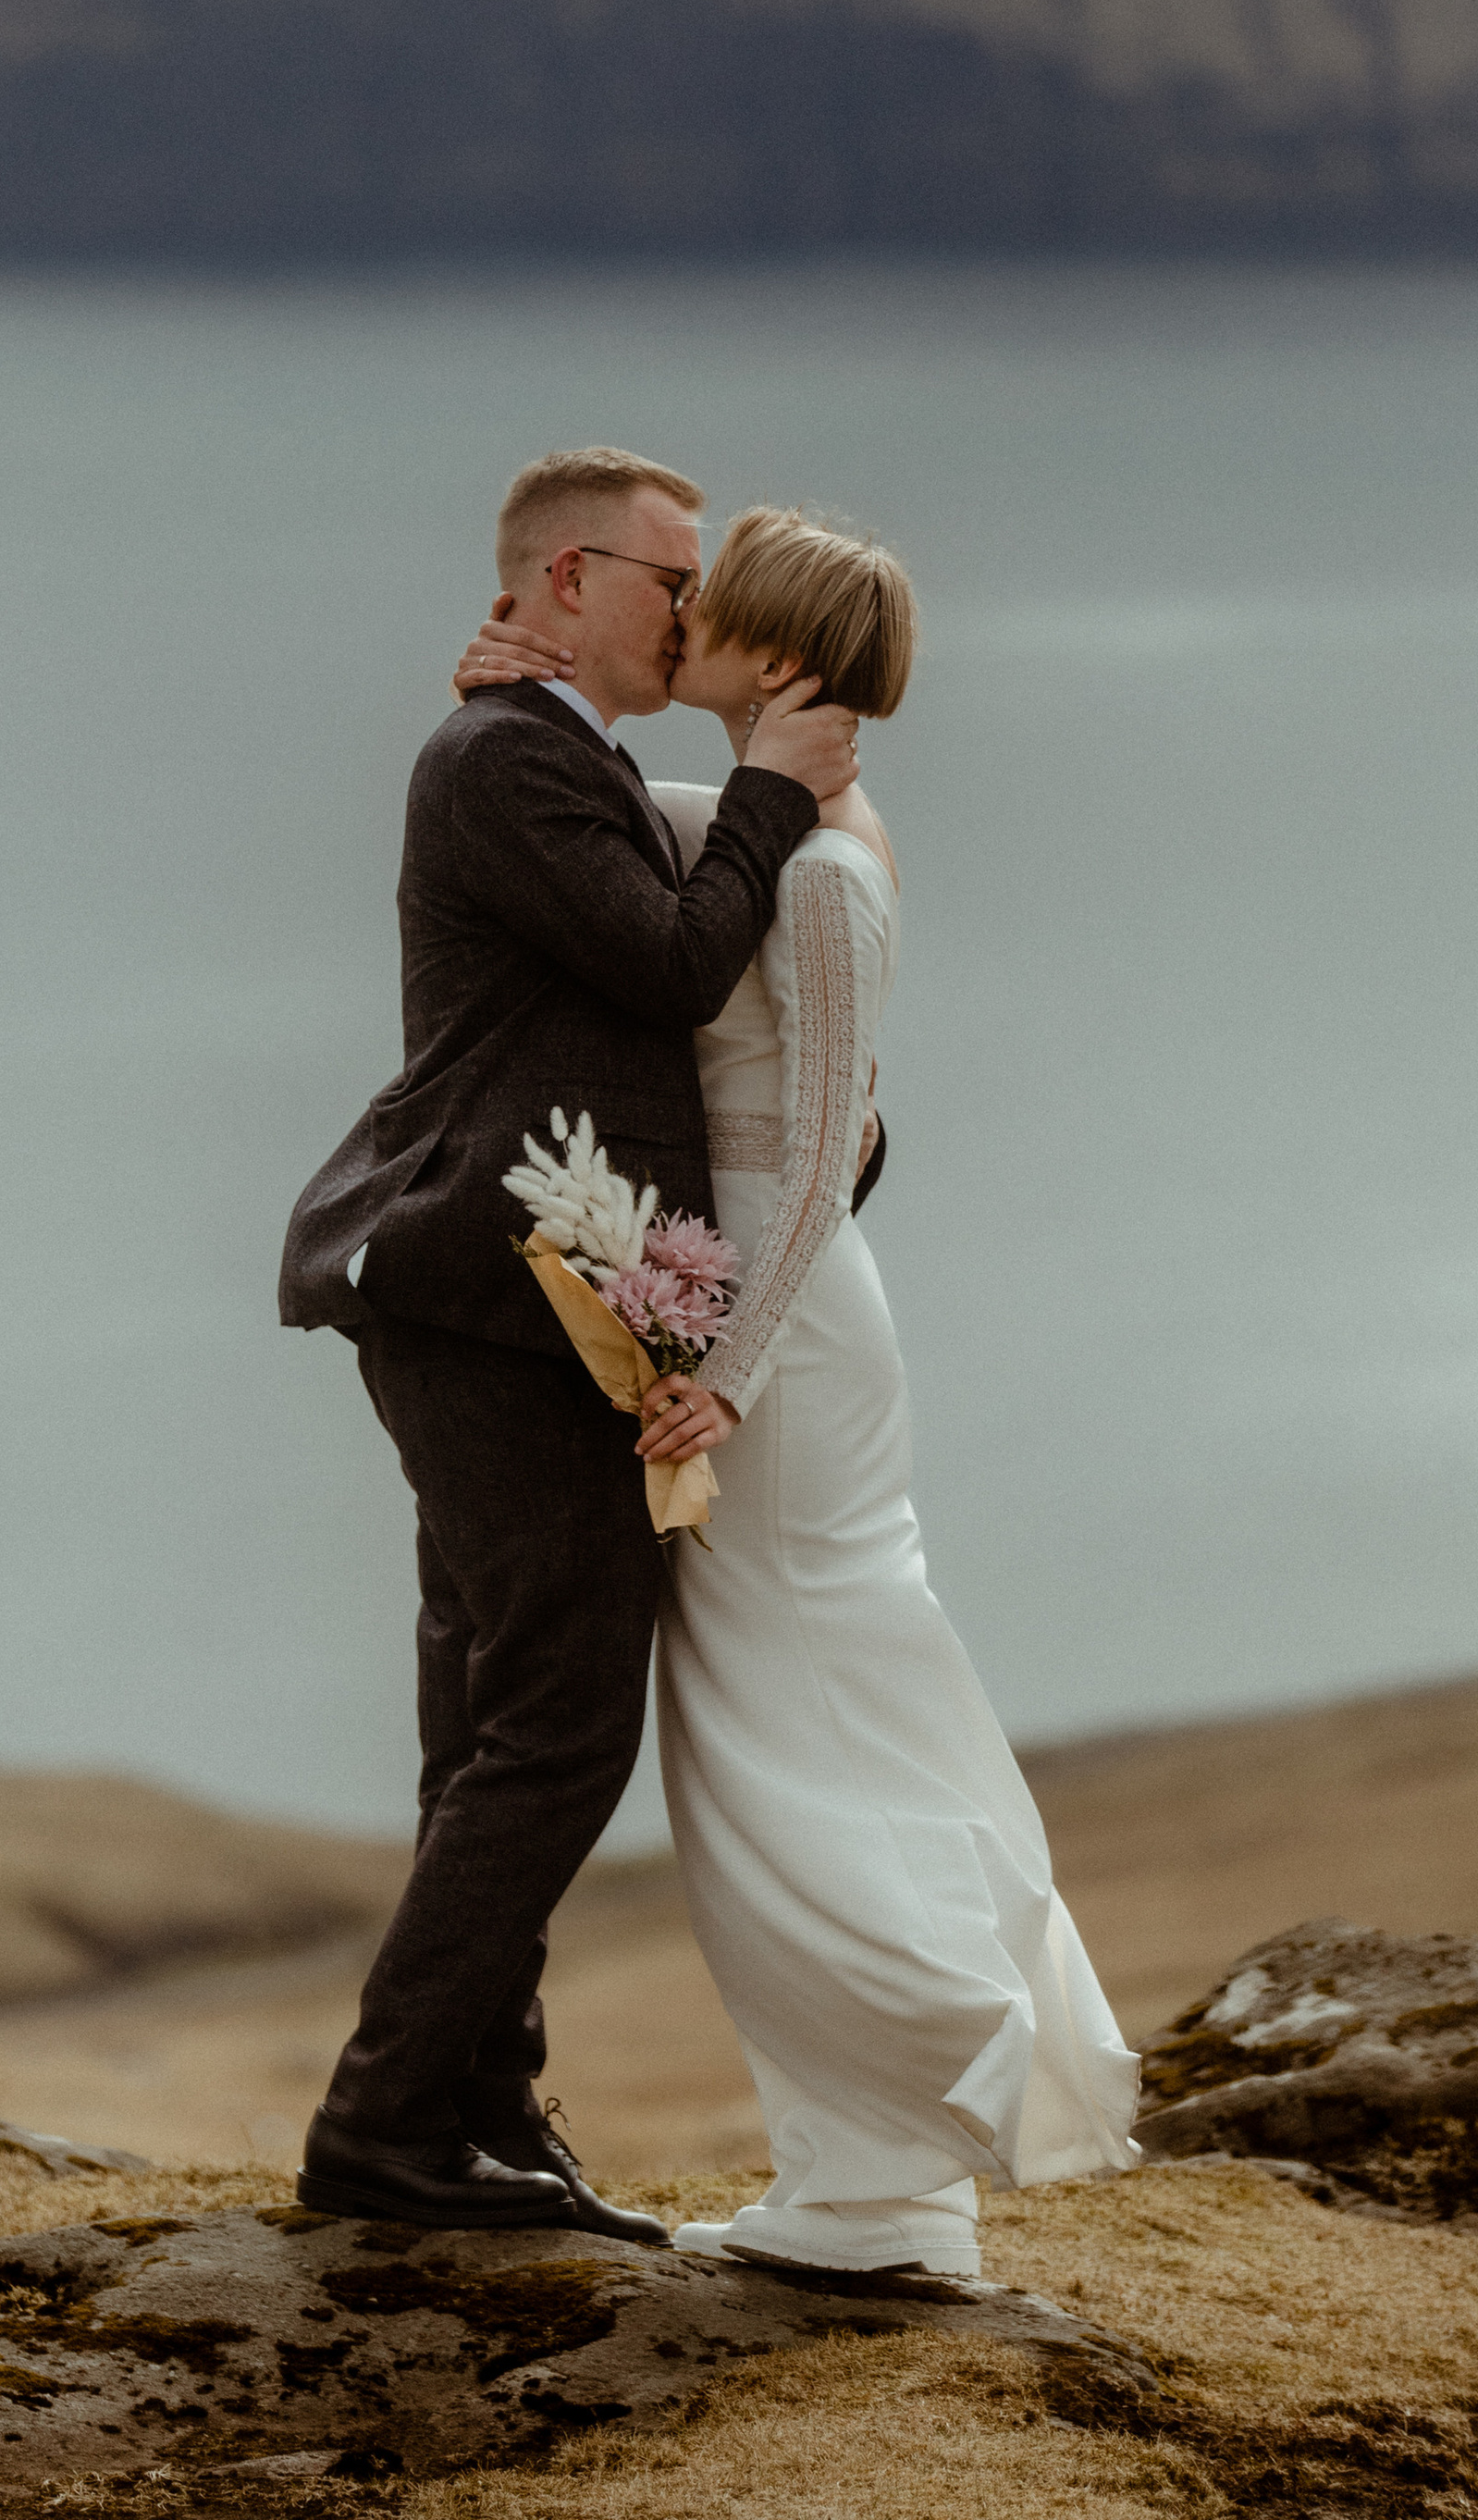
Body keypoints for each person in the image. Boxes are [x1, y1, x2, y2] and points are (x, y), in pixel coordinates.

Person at [455, 508, 1140, 2280]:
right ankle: (862, 2188)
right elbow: (608, 826)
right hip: (755, 1314)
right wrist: (505, 697)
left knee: (786, 1717)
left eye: (710, 604)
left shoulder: (826, 868)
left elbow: (831, 1129)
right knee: (763, 1717)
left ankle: (918, 2113)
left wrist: (733, 1373)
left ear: (774, 658)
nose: (677, 620)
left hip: (789, 1332)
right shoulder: (765, 823)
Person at [278, 448, 860, 2238]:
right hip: (482, 1300)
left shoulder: (556, 748)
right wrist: (772, 783)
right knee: (555, 1727)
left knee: (492, 1723)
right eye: (671, 577)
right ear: (558, 583)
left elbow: (674, 1002)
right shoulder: (505, 756)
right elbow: (677, 962)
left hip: (518, 1306)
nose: (697, 609)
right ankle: (387, 2133)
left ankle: (477, 2116)